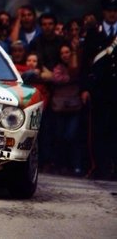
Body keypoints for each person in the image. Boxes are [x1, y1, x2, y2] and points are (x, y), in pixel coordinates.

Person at [81, 0, 117, 180]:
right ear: (104, 12)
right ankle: (98, 166)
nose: (112, 14)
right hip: (99, 90)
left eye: (115, 11)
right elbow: (85, 62)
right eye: (109, 10)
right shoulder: (94, 32)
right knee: (98, 130)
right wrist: (85, 88)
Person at [50, 43, 83, 175]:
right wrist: (71, 78)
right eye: (62, 53)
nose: (65, 55)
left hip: (74, 106)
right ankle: (60, 165)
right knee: (60, 137)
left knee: (72, 136)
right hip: (60, 106)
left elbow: (77, 74)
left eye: (67, 52)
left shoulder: (77, 66)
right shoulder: (58, 67)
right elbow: (57, 79)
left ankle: (76, 165)